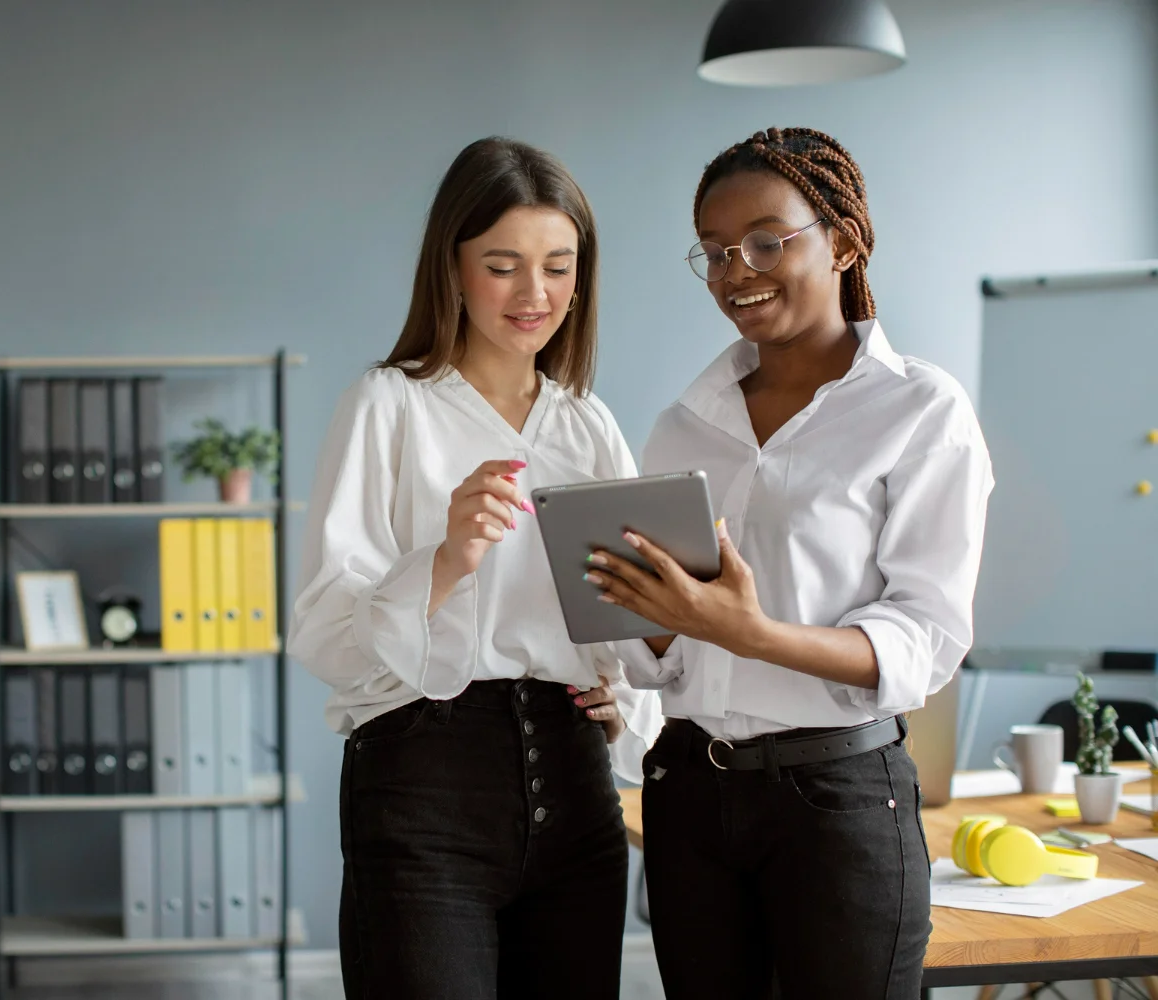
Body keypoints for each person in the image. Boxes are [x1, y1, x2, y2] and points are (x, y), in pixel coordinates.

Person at [583, 127, 994, 999]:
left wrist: (752, 632)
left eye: (767, 241)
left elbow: (925, 640)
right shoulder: (684, 422)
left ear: (843, 240)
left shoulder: (920, 409)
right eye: (715, 252)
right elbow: (666, 657)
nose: (738, 272)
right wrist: (652, 618)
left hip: (838, 798)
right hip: (689, 794)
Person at [288, 136, 662, 1000]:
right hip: (423, 794)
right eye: (503, 265)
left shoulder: (587, 425)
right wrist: (446, 560)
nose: (535, 294)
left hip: (575, 791)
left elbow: (619, 613)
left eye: (558, 266)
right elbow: (321, 633)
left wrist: (624, 689)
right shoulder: (388, 405)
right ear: (452, 268)